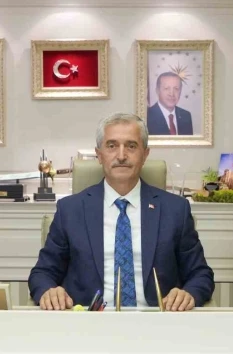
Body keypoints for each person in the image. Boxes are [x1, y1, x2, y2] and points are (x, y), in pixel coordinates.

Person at [28, 113, 214, 311]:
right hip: (89, 320)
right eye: (112, 146)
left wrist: (189, 294)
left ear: (145, 154)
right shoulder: (70, 210)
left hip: (157, 319)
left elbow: (201, 275)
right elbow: (42, 274)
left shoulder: (175, 210)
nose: (122, 155)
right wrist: (49, 291)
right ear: (99, 155)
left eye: (131, 146)